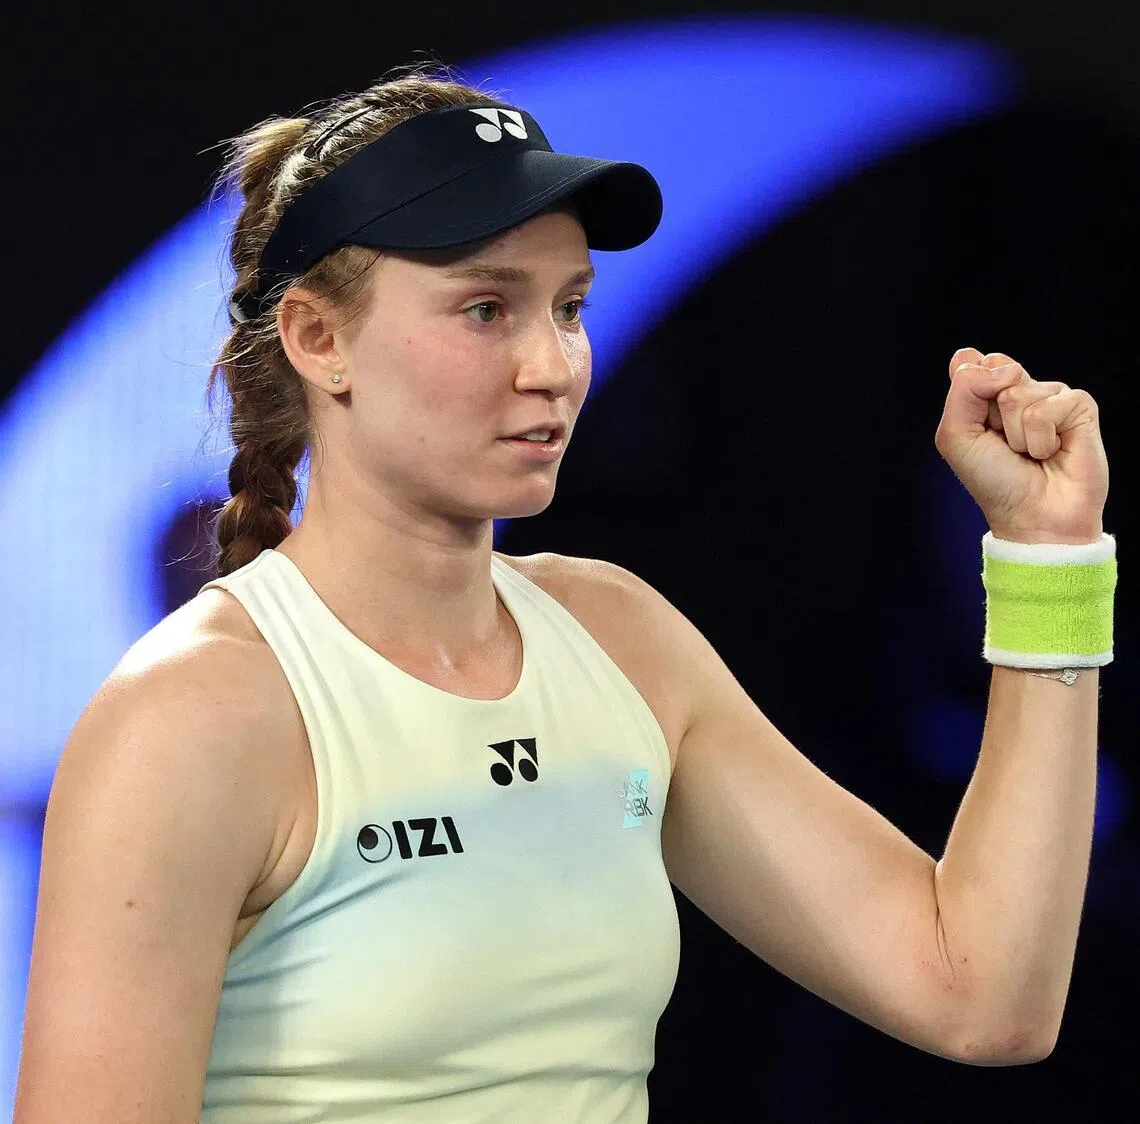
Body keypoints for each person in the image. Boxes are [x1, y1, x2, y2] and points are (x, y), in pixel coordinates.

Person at [15, 62, 1116, 1123]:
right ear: (317, 337)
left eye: (572, 306)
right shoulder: (193, 719)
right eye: (487, 308)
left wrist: (1049, 561)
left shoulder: (619, 639)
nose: (552, 364)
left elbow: (981, 996)